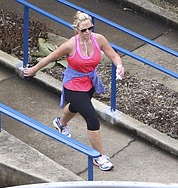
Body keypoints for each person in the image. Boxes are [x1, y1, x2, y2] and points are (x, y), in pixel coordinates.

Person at [23, 11, 124, 171]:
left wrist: (119, 66)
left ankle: (60, 123)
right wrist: (33, 70)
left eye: (90, 28)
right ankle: (98, 157)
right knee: (92, 119)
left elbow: (114, 55)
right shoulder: (70, 44)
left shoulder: (99, 39)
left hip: (89, 83)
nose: (88, 32)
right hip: (73, 85)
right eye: (84, 30)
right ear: (76, 30)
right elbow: (49, 58)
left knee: (75, 107)